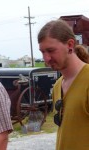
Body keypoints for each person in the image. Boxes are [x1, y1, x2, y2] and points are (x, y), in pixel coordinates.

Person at [37, 19, 89, 150]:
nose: (46, 58)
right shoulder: (57, 86)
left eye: (51, 50)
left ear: (70, 45)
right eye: (42, 52)